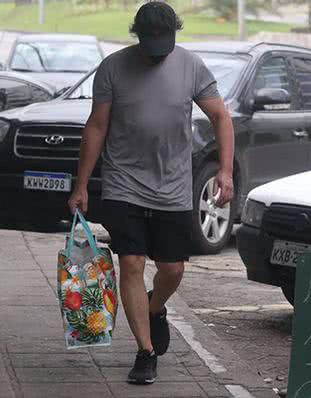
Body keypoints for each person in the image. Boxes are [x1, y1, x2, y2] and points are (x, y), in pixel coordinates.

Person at [67, 1, 234, 385]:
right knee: (131, 263)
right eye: (151, 42)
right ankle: (145, 352)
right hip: (123, 182)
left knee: (172, 269)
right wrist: (81, 185)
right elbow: (96, 127)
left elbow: (221, 117)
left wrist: (225, 171)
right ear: (137, 35)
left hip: (174, 186)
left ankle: (155, 308)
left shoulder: (190, 65)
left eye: (165, 41)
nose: (159, 50)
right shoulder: (113, 67)